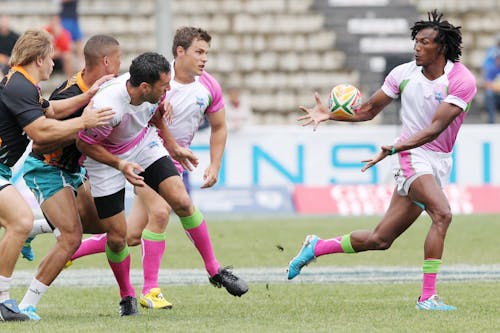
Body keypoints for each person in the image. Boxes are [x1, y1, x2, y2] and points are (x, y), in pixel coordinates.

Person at [287, 9, 476, 311]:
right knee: (442, 213)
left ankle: (316, 247)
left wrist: (392, 148)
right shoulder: (402, 74)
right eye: (416, 41)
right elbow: (367, 110)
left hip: (435, 159)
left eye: (424, 42)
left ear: (440, 48)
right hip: (410, 156)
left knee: (380, 239)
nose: (416, 46)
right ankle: (427, 297)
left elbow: (436, 129)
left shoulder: (461, 80)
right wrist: (331, 115)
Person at [68, 27, 244, 311]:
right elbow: (84, 145)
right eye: (199, 52)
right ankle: (131, 294)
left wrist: (174, 147)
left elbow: (161, 114)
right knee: (125, 233)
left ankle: (214, 270)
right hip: (106, 160)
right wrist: (120, 164)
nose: (168, 90)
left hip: (146, 146)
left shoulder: (169, 87)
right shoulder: (109, 106)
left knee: (167, 211)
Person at [0, 29, 113, 322]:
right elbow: (40, 131)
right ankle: (3, 302)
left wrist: (87, 96)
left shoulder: (24, 85)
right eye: (52, 58)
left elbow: (50, 111)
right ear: (39, 59)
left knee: (23, 223)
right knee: (20, 220)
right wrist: (83, 122)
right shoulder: (19, 87)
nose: (55, 63)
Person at [58, 0, 84, 67]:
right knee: (67, 42)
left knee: (79, 41)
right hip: (66, 18)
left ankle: (81, 62)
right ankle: (71, 63)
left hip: (73, 18)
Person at [482, 48, 500, 123]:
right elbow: (486, 84)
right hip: (495, 94)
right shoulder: (492, 69)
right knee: (489, 94)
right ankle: (491, 121)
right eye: (498, 59)